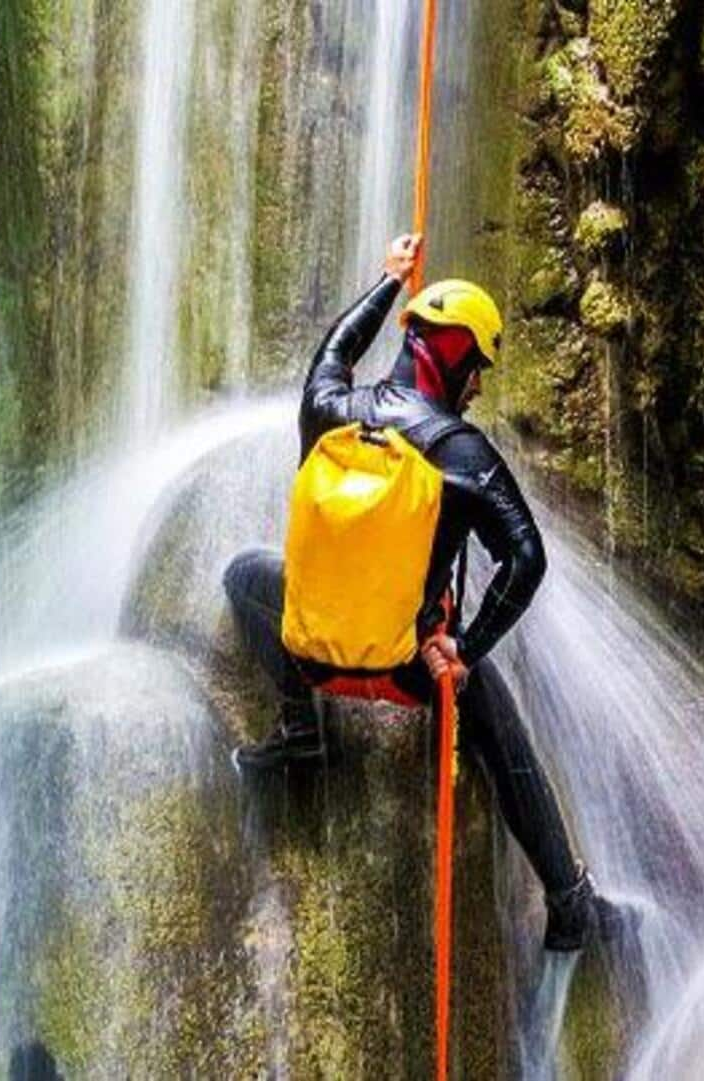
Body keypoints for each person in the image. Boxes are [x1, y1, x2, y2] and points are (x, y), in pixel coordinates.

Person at [224, 234, 623, 952]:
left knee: (241, 576)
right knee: (502, 731)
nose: (478, 385)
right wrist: (464, 648)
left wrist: (387, 284)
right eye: (477, 365)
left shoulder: (327, 411)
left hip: (314, 652)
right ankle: (570, 902)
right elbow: (526, 559)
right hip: (410, 669)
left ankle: (300, 724)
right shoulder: (460, 452)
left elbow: (333, 355)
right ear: (449, 351)